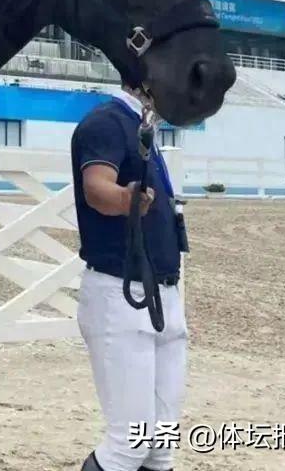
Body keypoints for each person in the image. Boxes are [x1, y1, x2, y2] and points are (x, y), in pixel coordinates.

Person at [70, 84, 190, 471]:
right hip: (121, 294)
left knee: (160, 445)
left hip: (162, 294)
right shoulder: (106, 123)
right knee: (128, 444)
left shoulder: (142, 128)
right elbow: (96, 187)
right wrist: (125, 199)